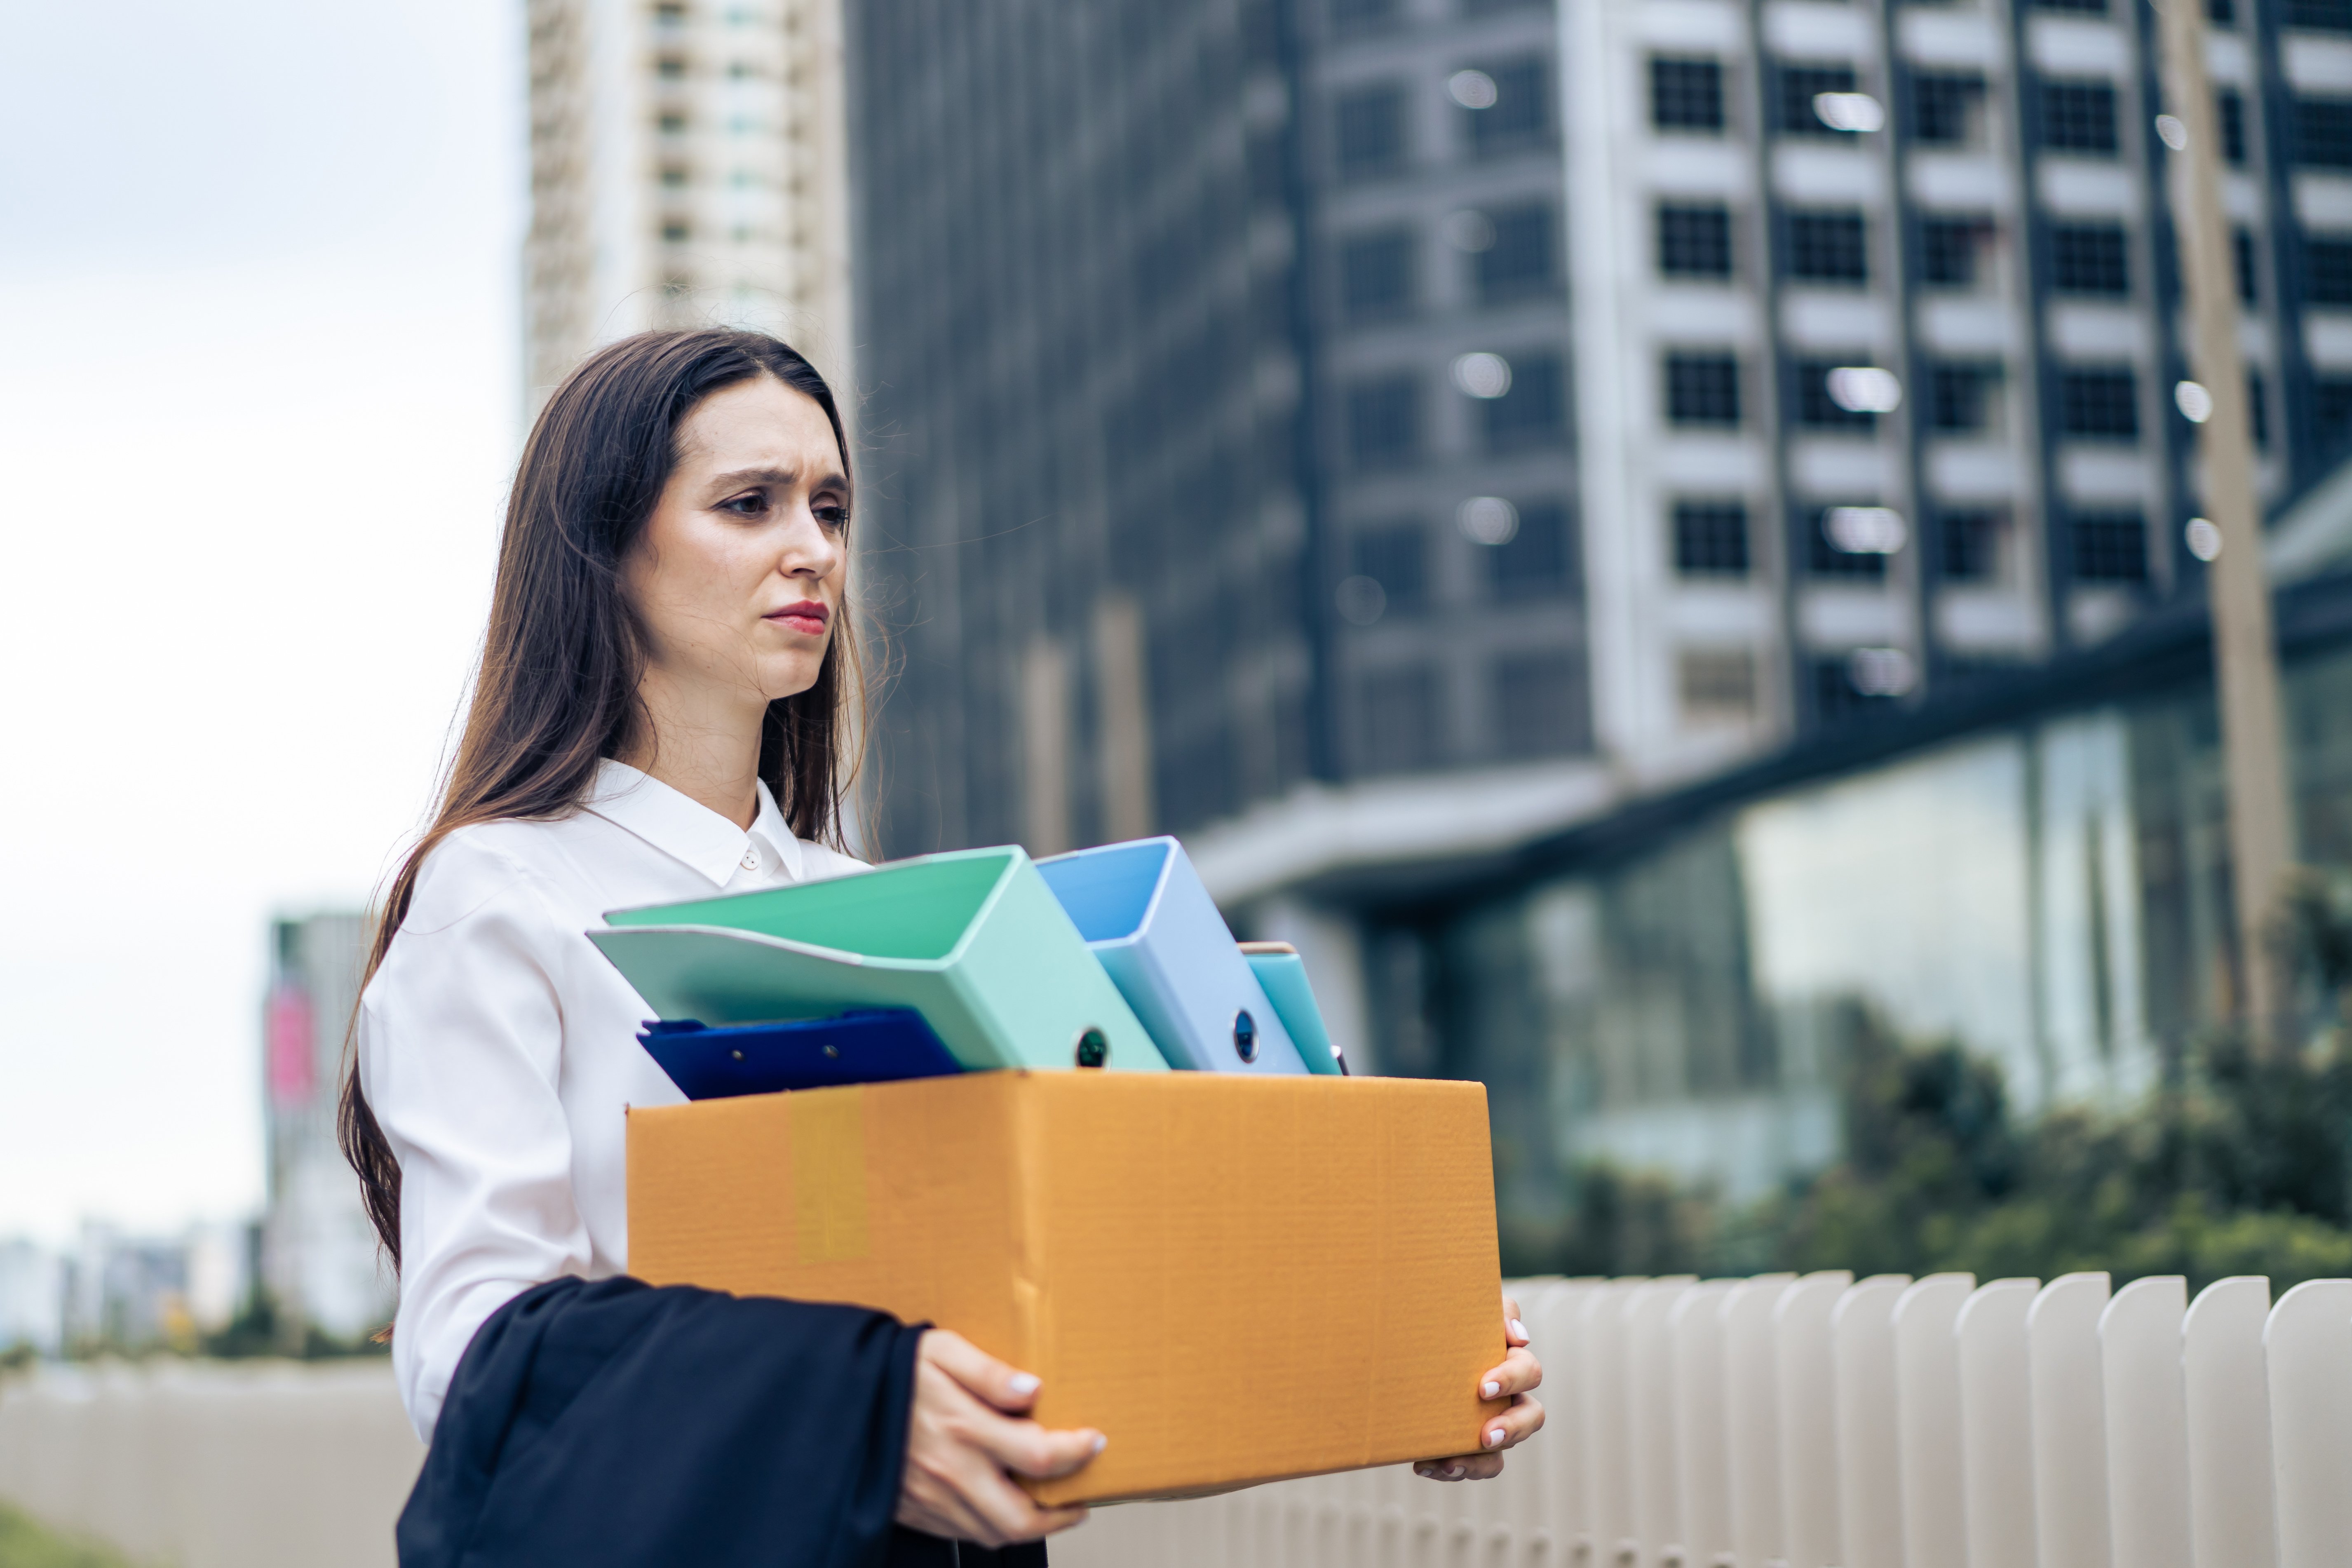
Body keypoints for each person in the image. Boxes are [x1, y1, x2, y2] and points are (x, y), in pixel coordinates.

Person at [340, 328, 1544, 1568]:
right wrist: (859, 1407)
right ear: (603, 548)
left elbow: (1059, 1368)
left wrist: (1394, 1362)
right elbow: (470, 1354)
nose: (811, 549)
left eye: (830, 505)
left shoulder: (888, 916)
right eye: (747, 505)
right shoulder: (499, 892)